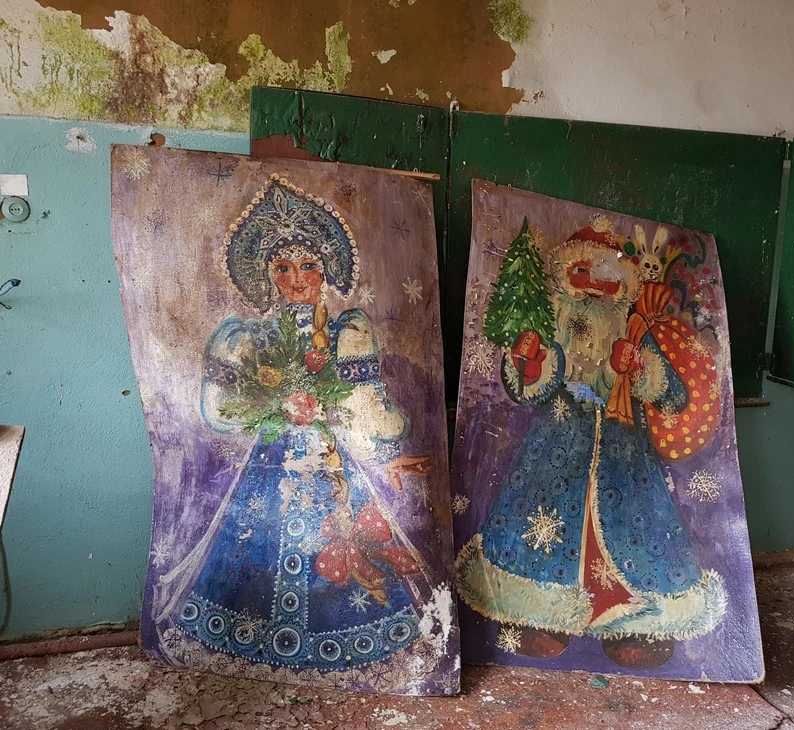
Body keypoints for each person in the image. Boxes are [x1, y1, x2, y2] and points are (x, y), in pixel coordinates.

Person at [155, 174, 431, 672]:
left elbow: (371, 411)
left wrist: (361, 432)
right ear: (268, 276)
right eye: (283, 268)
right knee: (256, 539)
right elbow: (220, 412)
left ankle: (340, 636)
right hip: (271, 462)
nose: (297, 279)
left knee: (341, 544)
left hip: (332, 461)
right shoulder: (250, 337)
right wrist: (276, 407)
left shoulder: (347, 332)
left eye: (308, 266)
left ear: (325, 272)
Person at [456, 216, 726, 666]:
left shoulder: (634, 329)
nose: (594, 287)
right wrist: (532, 364)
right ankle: (537, 616)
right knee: (542, 527)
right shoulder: (552, 325)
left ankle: (638, 625)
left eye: (605, 276)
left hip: (625, 455)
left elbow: (673, 395)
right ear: (565, 277)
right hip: (556, 446)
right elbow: (528, 390)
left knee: (635, 534)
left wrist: (638, 369)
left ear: (621, 286)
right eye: (582, 274)